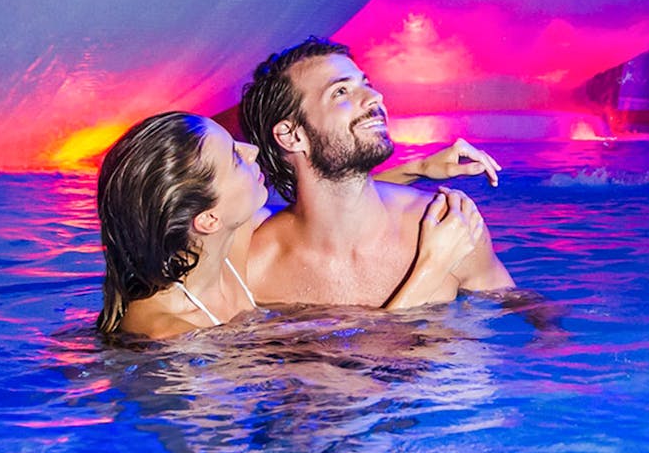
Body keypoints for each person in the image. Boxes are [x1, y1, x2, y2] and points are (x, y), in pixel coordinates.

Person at [96, 111, 493, 339]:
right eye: (235, 158)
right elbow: (373, 374)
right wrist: (431, 267)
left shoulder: (223, 247)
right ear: (208, 219)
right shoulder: (169, 335)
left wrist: (418, 169)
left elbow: (326, 208)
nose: (251, 150)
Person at [239, 37, 515, 307]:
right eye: (341, 92)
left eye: (366, 85)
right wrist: (432, 267)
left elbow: (527, 321)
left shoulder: (448, 226)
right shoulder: (256, 267)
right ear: (291, 136)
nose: (375, 97)